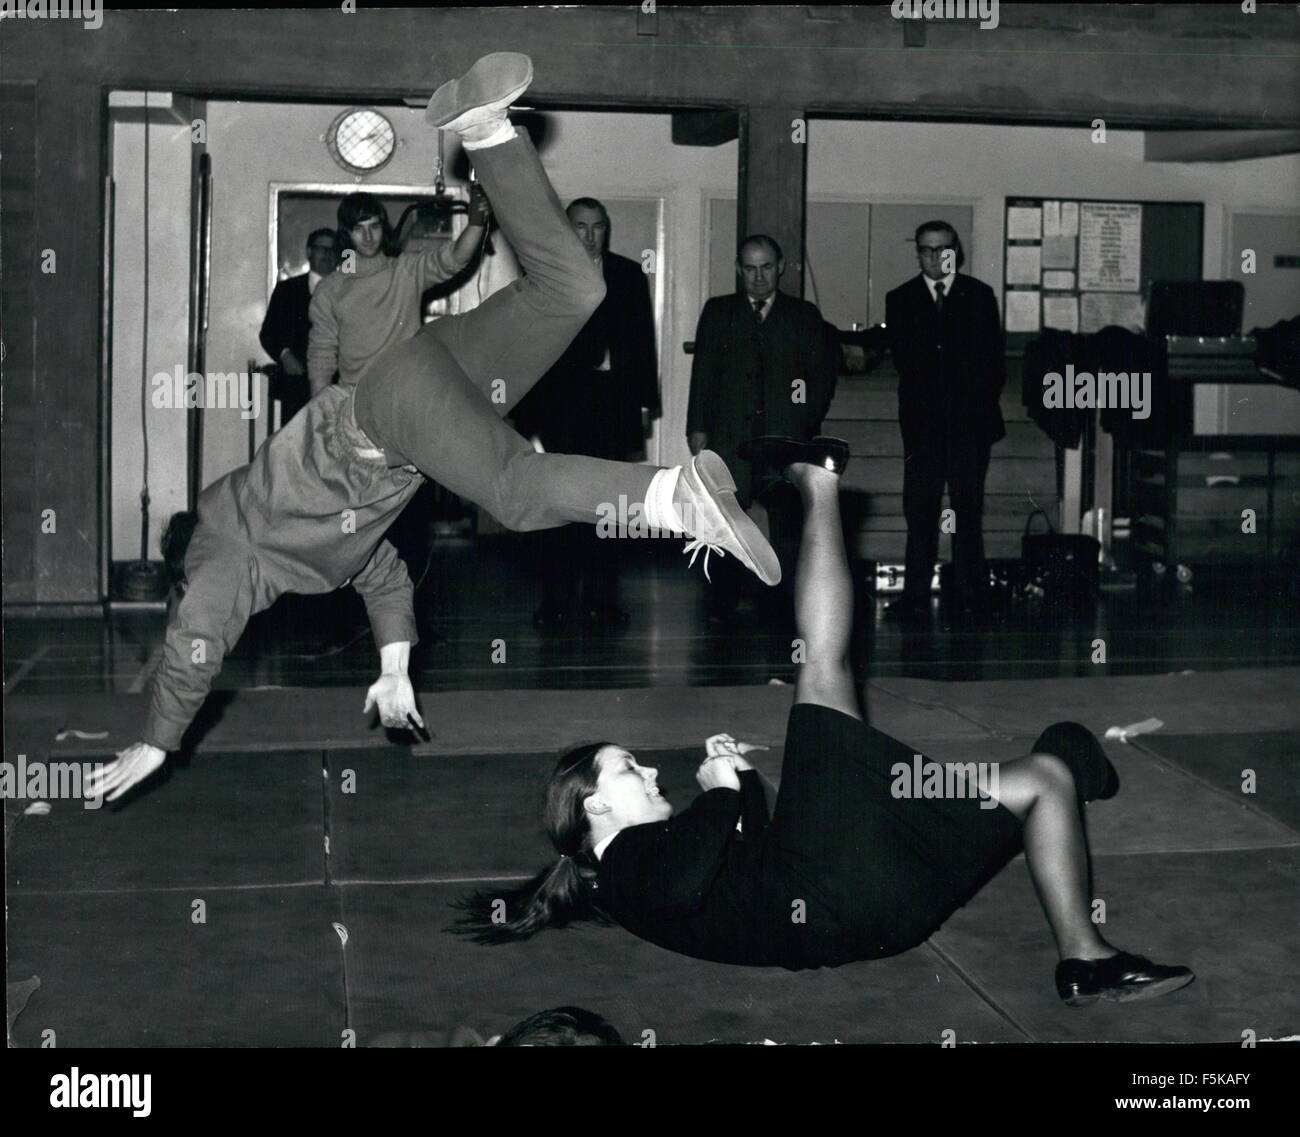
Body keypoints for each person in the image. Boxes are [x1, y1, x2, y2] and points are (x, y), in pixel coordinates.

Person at [87, 53, 779, 804]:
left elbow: (195, 643)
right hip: (423, 367)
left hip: (390, 413)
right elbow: (378, 573)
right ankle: (485, 134)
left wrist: (159, 740)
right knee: (577, 287)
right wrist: (392, 670)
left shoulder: (230, 556)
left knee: (513, 492)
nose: (214, 601)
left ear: (193, 567)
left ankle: (677, 498)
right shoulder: (293, 546)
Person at [454, 434, 1194, 1007]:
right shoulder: (622, 867)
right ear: (593, 804)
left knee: (1044, 776)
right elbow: (685, 880)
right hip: (841, 892)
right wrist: (717, 790)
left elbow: (745, 860)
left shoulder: (641, 861)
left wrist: (740, 784)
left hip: (875, 898)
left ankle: (1085, 959)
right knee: (822, 670)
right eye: (628, 769)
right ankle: (817, 479)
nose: (648, 769)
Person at [511, 196, 661, 627]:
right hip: (560, 409)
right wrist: (525, 415)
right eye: (581, 226)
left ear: (606, 228)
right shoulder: (545, 274)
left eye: (598, 226)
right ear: (567, 228)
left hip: (612, 405)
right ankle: (555, 600)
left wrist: (646, 403)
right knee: (557, 508)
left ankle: (603, 599)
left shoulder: (629, 275)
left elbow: (642, 344)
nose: (590, 235)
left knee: (609, 508)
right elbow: (527, 346)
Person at [686, 236, 838, 622]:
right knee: (724, 518)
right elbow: (703, 373)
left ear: (781, 266)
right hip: (729, 435)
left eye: (766, 267)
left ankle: (783, 604)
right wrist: (698, 427)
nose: (758, 277)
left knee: (785, 522)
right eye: (750, 268)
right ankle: (722, 600)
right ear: (739, 268)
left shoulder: (803, 315)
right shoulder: (719, 311)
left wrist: (801, 419)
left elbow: (816, 377)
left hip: (783, 437)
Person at [885, 221, 1005, 626]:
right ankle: (914, 597)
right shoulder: (900, 299)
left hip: (970, 427)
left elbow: (993, 365)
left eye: (943, 249)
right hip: (922, 428)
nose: (936, 258)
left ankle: (975, 597)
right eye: (926, 250)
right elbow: (907, 362)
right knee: (920, 514)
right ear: (916, 253)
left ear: (958, 251)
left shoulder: (979, 296)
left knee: (967, 513)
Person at [306, 182, 490, 397]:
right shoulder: (330, 289)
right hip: (355, 403)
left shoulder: (406, 270)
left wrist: (476, 222)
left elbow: (455, 258)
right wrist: (320, 420)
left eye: (373, 226)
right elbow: (321, 358)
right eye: (359, 229)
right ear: (346, 233)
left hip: (407, 396)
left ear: (383, 228)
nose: (368, 237)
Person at [260, 227, 339, 422]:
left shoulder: (347, 291)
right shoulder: (287, 290)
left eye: (332, 250)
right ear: (309, 252)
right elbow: (268, 333)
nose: (327, 254)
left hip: (337, 388)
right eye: (322, 248)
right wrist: (284, 355)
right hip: (296, 389)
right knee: (296, 448)